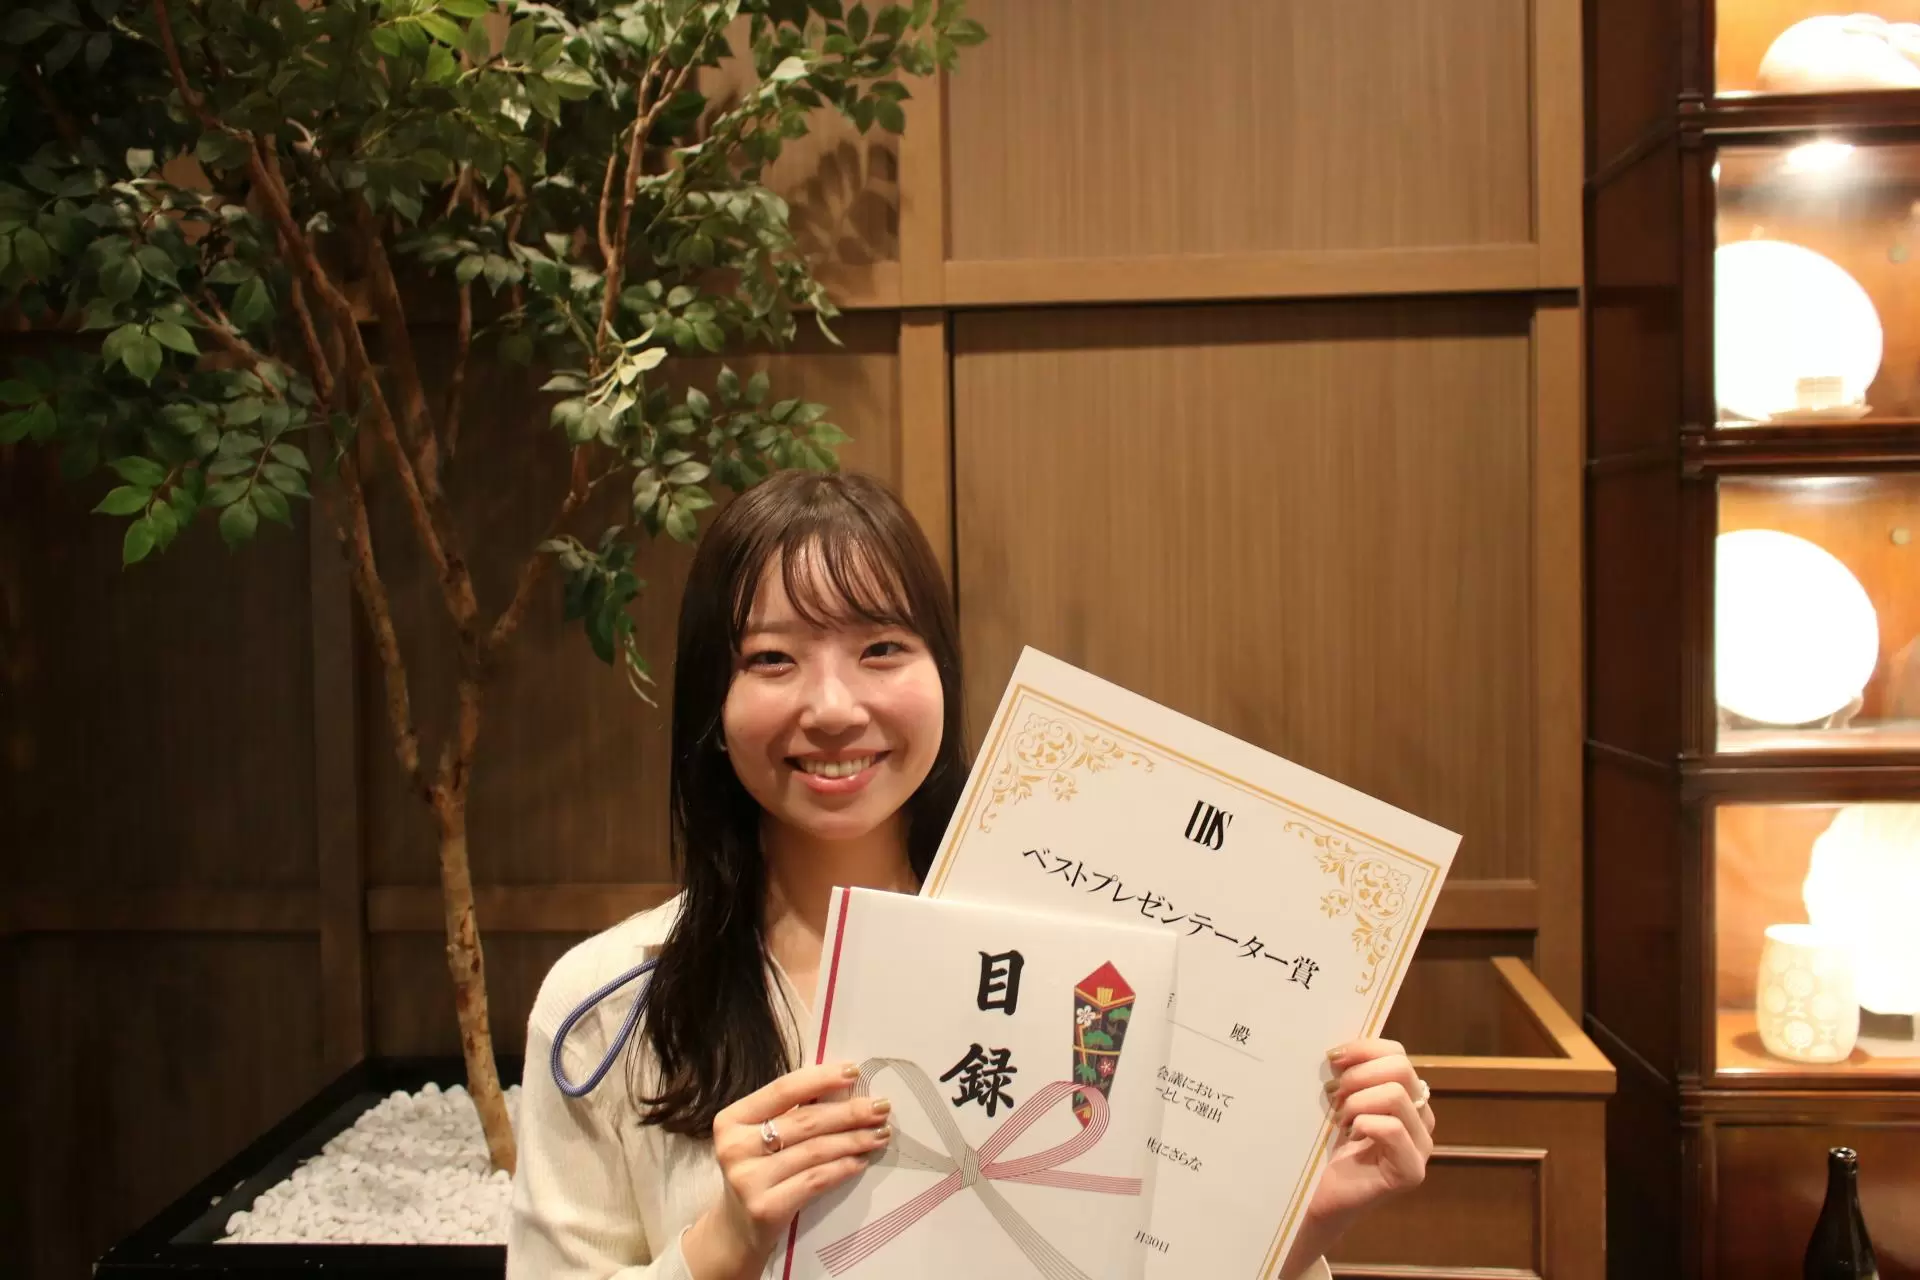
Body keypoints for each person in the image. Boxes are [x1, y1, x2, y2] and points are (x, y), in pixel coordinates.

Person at [507, 470, 1437, 1280]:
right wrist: (723, 1244)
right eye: (772, 659)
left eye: (881, 649)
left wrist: (1294, 1225)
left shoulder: (1093, 966)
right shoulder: (606, 1007)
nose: (832, 707)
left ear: (944, 674)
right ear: (715, 700)